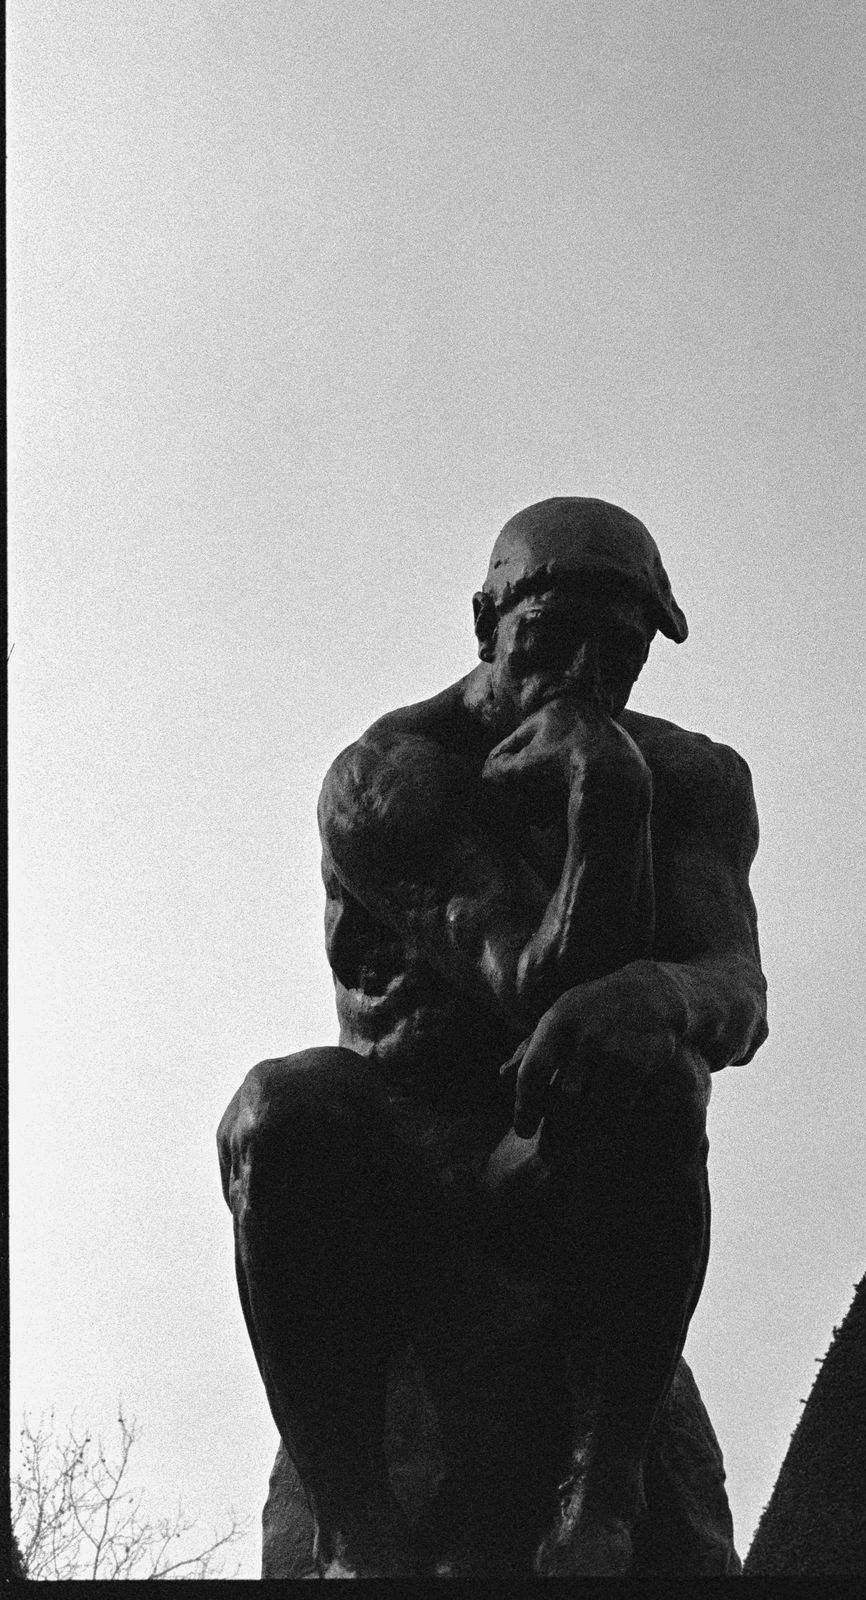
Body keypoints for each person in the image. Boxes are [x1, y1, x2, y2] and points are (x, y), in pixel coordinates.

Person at [217, 497, 768, 1576]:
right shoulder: (389, 776)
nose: (583, 674)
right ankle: (353, 1527)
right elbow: (533, 981)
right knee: (278, 1112)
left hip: (554, 1175)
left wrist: (657, 989)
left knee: (655, 1071)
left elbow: (735, 989)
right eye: (550, 637)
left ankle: (601, 1496)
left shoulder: (700, 779)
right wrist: (601, 790)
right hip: (404, 1178)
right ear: (484, 622)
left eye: (620, 650)